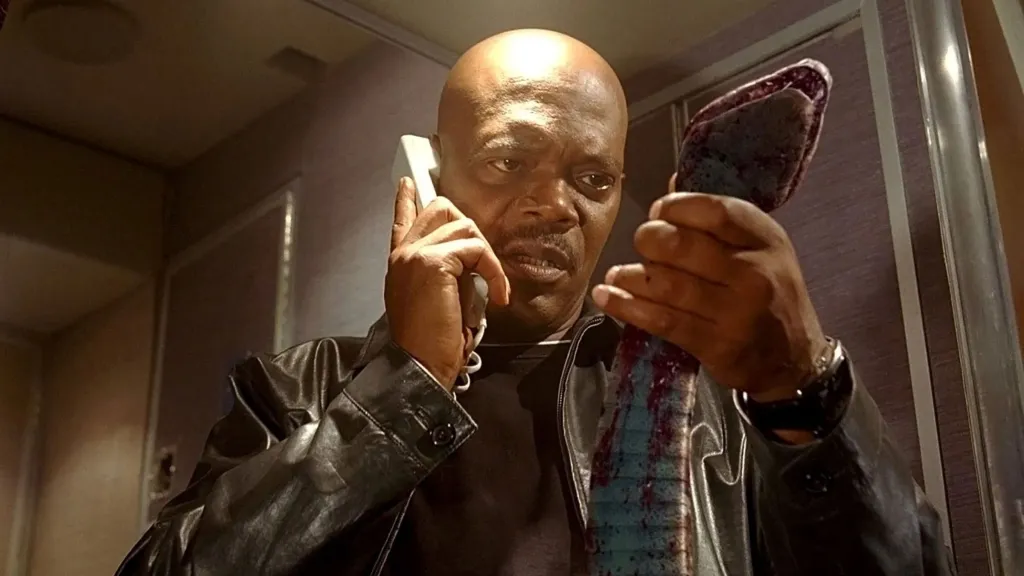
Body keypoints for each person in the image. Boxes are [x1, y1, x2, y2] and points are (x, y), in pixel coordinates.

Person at [116, 29, 953, 576]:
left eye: (593, 177)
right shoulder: (295, 390)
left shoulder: (702, 395)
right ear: (432, 175)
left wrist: (805, 391)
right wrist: (402, 389)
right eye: (508, 160)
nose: (555, 206)